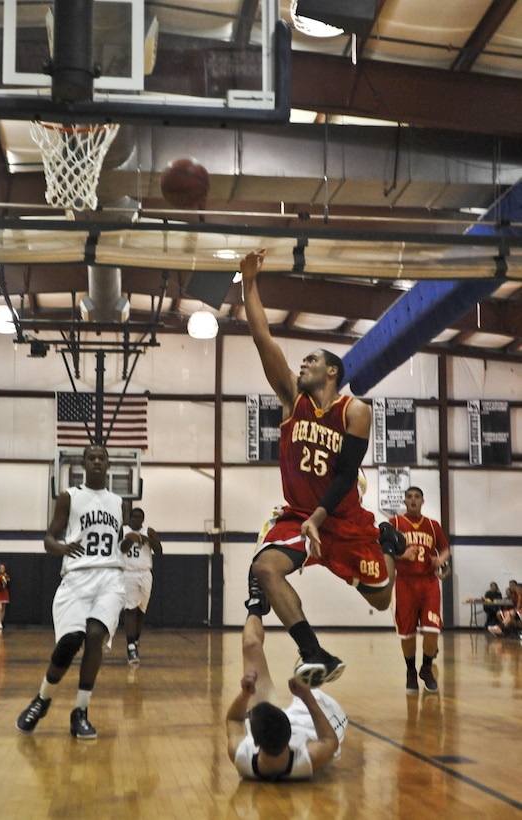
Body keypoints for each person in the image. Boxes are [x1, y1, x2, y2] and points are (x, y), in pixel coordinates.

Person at [240, 249, 405, 688]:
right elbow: (263, 339)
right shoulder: (293, 399)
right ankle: (314, 652)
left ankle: (389, 544)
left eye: (311, 360)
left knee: (382, 600)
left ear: (332, 370)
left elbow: (346, 475)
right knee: (265, 568)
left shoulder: (356, 411)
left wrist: (321, 516)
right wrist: (248, 282)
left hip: (342, 519)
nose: (303, 365)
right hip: (299, 515)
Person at [16, 444, 126, 740]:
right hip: (76, 577)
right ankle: (42, 699)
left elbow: (118, 544)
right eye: (92, 457)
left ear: (108, 464)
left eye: (102, 458)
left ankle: (80, 711)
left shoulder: (118, 502)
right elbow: (49, 538)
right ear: (83, 463)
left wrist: (136, 542)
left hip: (110, 578)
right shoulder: (70, 496)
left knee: (93, 636)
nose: (97, 462)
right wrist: (61, 547)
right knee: (70, 642)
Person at [226, 599, 347, 780]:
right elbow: (330, 741)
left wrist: (245, 694)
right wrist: (307, 697)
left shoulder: (243, 756)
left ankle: (255, 603)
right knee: (314, 691)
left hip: (277, 730)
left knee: (250, 645)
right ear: (290, 736)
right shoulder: (309, 756)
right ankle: (320, 662)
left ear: (255, 742)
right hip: (318, 720)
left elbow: (234, 719)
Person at [389, 486, 450, 693]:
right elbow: (382, 551)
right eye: (409, 497)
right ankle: (410, 671)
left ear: (422, 501)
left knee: (432, 629)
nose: (413, 500)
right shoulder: (394, 524)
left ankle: (426, 667)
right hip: (405, 583)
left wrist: (440, 560)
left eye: (417, 497)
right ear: (404, 501)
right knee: (407, 634)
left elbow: (445, 549)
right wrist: (402, 556)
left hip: (429, 583)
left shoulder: (433, 526)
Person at [121, 507, 162, 665]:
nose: (136, 519)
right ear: (129, 518)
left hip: (145, 573)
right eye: (134, 516)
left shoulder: (149, 531)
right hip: (128, 573)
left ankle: (136, 640)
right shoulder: (123, 530)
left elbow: (159, 551)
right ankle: (130, 646)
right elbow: (119, 550)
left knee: (141, 611)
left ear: (143, 519)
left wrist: (147, 540)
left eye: (139, 516)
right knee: (130, 609)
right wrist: (130, 540)